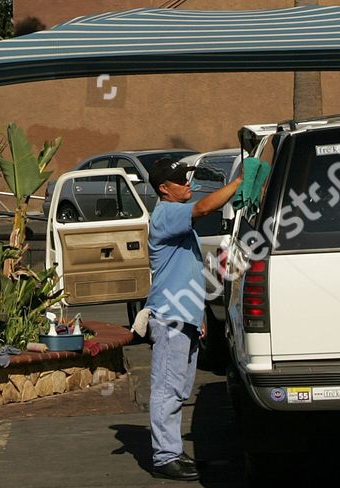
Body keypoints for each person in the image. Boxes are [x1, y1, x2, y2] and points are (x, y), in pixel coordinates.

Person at [143, 156, 242, 481]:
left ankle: (171, 451)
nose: (188, 184)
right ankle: (164, 457)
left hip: (181, 316)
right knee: (167, 390)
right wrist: (239, 182)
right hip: (170, 318)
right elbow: (203, 209)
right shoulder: (166, 214)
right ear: (163, 189)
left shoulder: (177, 222)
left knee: (178, 389)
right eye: (181, 181)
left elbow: (184, 273)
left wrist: (198, 314)